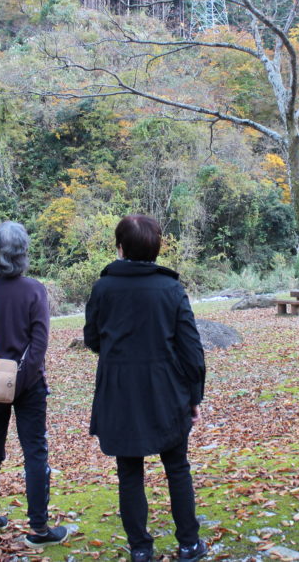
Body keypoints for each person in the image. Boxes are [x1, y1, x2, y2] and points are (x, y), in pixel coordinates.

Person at [84, 215, 208, 562]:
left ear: (120, 248)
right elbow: (191, 349)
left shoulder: (103, 288)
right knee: (177, 466)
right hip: (166, 390)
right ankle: (188, 544)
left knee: (129, 471)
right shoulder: (170, 289)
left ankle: (140, 549)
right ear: (156, 247)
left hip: (120, 391)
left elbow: (92, 338)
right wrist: (194, 396)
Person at [0, 222, 68, 546]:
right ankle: (39, 529)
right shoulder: (34, 290)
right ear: (23, 253)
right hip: (30, 384)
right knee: (35, 452)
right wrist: (20, 383)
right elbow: (38, 345)